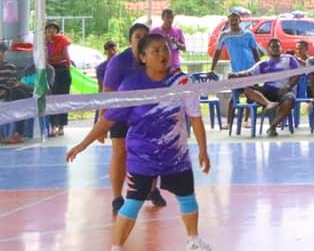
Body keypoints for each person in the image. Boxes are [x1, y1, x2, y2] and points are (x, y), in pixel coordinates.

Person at [66, 34, 213, 251]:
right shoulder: (132, 86)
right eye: (156, 50)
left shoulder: (182, 82)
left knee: (187, 197)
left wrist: (203, 149)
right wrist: (83, 144)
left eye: (165, 49)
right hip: (142, 155)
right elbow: (109, 119)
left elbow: (195, 117)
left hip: (175, 154)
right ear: (143, 57)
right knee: (133, 202)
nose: (163, 54)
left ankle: (193, 240)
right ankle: (116, 247)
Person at [103, 23, 164, 215]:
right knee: (120, 152)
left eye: (145, 36)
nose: (141, 39)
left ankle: (152, 190)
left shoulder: (155, 59)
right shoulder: (118, 62)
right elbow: (106, 92)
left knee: (152, 151)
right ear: (130, 40)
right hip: (121, 114)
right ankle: (117, 197)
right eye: (137, 36)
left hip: (147, 113)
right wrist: (101, 122)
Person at [228, 38, 299, 137]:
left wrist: (287, 87)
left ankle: (272, 127)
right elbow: (248, 73)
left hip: (284, 90)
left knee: (290, 99)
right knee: (247, 89)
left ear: (281, 48)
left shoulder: (289, 59)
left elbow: (296, 75)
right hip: (267, 91)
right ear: (268, 50)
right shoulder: (263, 64)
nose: (276, 48)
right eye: (273, 47)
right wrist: (236, 74)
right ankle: (269, 104)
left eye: (278, 46)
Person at [210, 11, 261, 128]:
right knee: (234, 97)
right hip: (236, 72)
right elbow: (217, 52)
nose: (233, 21)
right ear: (228, 21)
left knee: (250, 95)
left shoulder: (248, 34)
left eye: (235, 18)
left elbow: (255, 52)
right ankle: (229, 122)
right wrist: (212, 68)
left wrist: (259, 68)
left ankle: (246, 120)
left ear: (240, 20)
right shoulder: (224, 35)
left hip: (250, 69)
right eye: (231, 19)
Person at [44, 21, 72, 137]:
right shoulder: (44, 42)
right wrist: (47, 44)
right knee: (52, 97)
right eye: (49, 28)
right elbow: (45, 58)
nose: (51, 31)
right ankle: (53, 125)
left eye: (53, 28)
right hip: (50, 70)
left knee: (63, 97)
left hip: (63, 70)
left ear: (57, 30)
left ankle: (61, 125)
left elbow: (65, 55)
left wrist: (55, 58)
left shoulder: (62, 40)